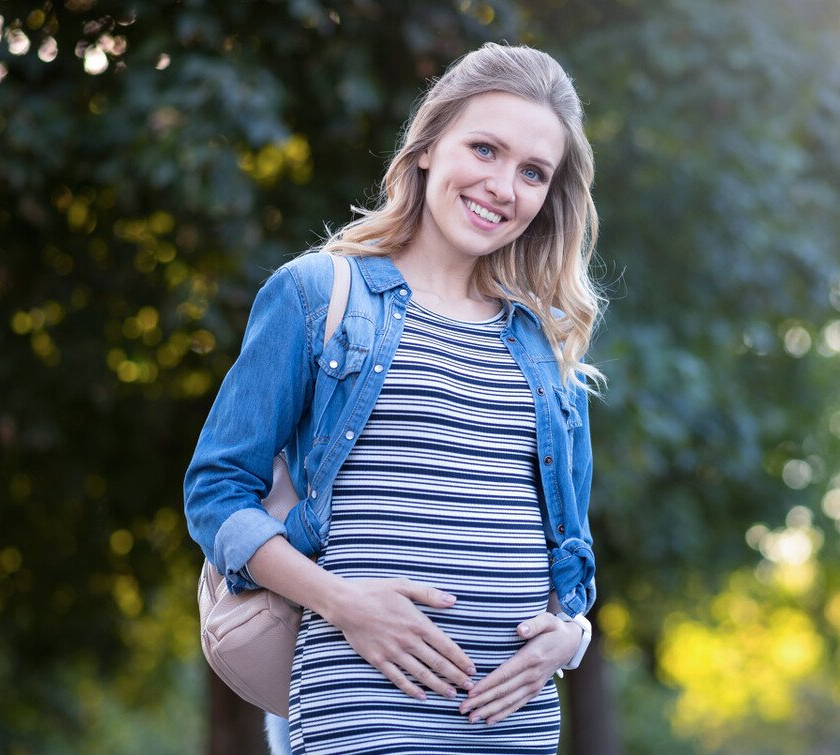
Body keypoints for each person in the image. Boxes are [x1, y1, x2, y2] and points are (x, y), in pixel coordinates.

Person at [184, 42, 603, 754]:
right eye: (484, 149)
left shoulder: (546, 347)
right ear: (429, 146)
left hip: (517, 723)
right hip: (366, 708)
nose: (504, 186)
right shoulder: (318, 295)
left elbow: (572, 547)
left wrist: (571, 638)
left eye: (533, 172)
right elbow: (217, 492)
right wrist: (341, 601)